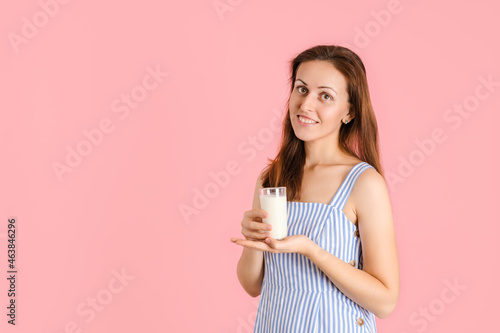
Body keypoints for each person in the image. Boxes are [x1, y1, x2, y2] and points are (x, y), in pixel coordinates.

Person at [230, 45, 399, 332]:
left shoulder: (363, 183)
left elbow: (385, 301)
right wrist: (253, 241)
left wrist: (312, 251)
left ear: (349, 113)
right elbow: (253, 285)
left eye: (325, 96)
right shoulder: (272, 178)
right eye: (301, 89)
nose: (306, 105)